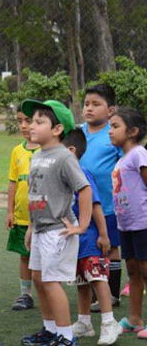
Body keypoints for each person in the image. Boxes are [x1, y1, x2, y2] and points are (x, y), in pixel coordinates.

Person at [20, 99, 92, 346]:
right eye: (32, 121)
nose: (32, 126)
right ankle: (50, 330)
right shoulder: (38, 156)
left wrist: (81, 226)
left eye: (40, 121)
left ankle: (66, 336)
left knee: (51, 282)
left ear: (57, 129)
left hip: (57, 231)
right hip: (41, 230)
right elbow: (35, 194)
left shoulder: (64, 157)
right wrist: (31, 227)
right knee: (39, 281)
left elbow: (84, 189)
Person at [61, 129, 122, 345]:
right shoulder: (64, 175)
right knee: (81, 281)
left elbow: (96, 206)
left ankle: (108, 322)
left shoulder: (82, 173)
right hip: (75, 241)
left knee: (97, 277)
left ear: (70, 151)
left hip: (90, 238)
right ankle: (84, 321)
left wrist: (104, 235)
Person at [80, 84, 123, 309]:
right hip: (83, 206)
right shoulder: (77, 133)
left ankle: (112, 294)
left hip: (108, 204)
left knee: (111, 248)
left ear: (110, 110)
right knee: (90, 248)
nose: (89, 108)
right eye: (87, 104)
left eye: (96, 104)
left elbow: (126, 163)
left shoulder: (113, 134)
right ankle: (95, 292)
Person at [109, 108, 147, 338]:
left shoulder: (139, 154)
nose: (110, 131)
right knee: (132, 271)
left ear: (132, 131)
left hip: (143, 223)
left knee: (145, 270)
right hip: (127, 225)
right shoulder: (122, 159)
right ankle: (134, 318)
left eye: (115, 127)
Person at [5, 108, 39, 311]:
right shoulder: (17, 151)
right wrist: (10, 212)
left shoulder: (50, 149)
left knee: (44, 256)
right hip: (22, 217)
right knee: (24, 255)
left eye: (29, 120)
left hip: (44, 218)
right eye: (20, 121)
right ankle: (25, 295)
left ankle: (49, 290)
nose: (24, 126)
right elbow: (13, 183)